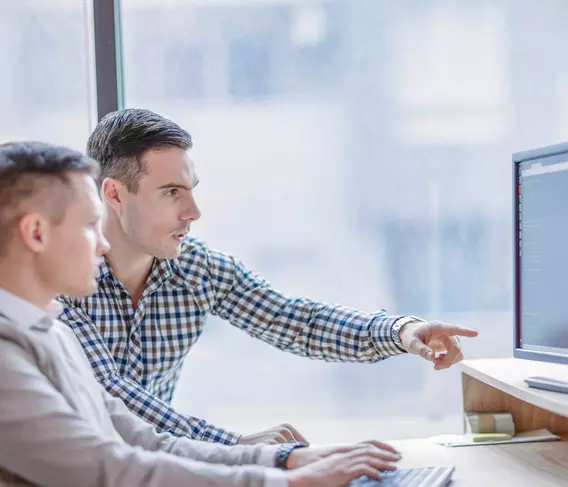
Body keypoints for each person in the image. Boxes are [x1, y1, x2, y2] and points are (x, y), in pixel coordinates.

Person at [0, 140, 402, 487]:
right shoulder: (8, 359)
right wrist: (291, 486)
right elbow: (114, 474)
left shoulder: (49, 331)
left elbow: (146, 441)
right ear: (36, 233)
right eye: (88, 227)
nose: (101, 246)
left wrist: (284, 460)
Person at [58, 108, 478, 446]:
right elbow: (110, 396)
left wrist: (400, 330)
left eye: (191, 189)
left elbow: (296, 321)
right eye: (172, 192)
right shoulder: (62, 280)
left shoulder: (196, 268)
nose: (193, 212)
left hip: (157, 484)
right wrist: (235, 446)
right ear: (114, 194)